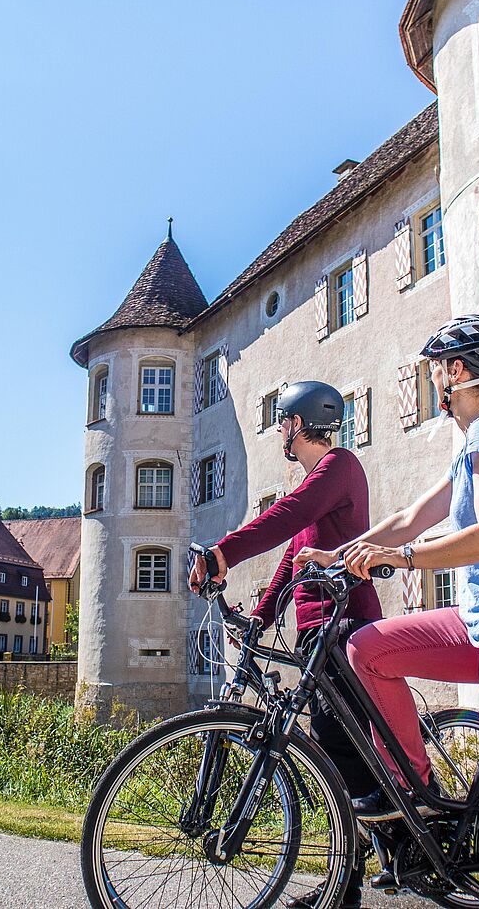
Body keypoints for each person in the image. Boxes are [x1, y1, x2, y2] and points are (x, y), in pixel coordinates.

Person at [295, 315, 479, 909]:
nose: (431, 380)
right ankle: (415, 786)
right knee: (367, 649)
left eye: (436, 368)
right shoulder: (473, 442)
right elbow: (411, 516)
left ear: (455, 373)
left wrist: (400, 559)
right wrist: (340, 552)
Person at [188, 379, 381, 909]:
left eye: (283, 423)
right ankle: (359, 872)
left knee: (341, 749)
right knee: (338, 751)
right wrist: (259, 616)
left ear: (297, 425)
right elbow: (292, 558)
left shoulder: (339, 467)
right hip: (318, 636)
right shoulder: (316, 485)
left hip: (345, 629)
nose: (280, 432)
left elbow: (287, 518)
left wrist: (223, 552)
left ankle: (361, 873)